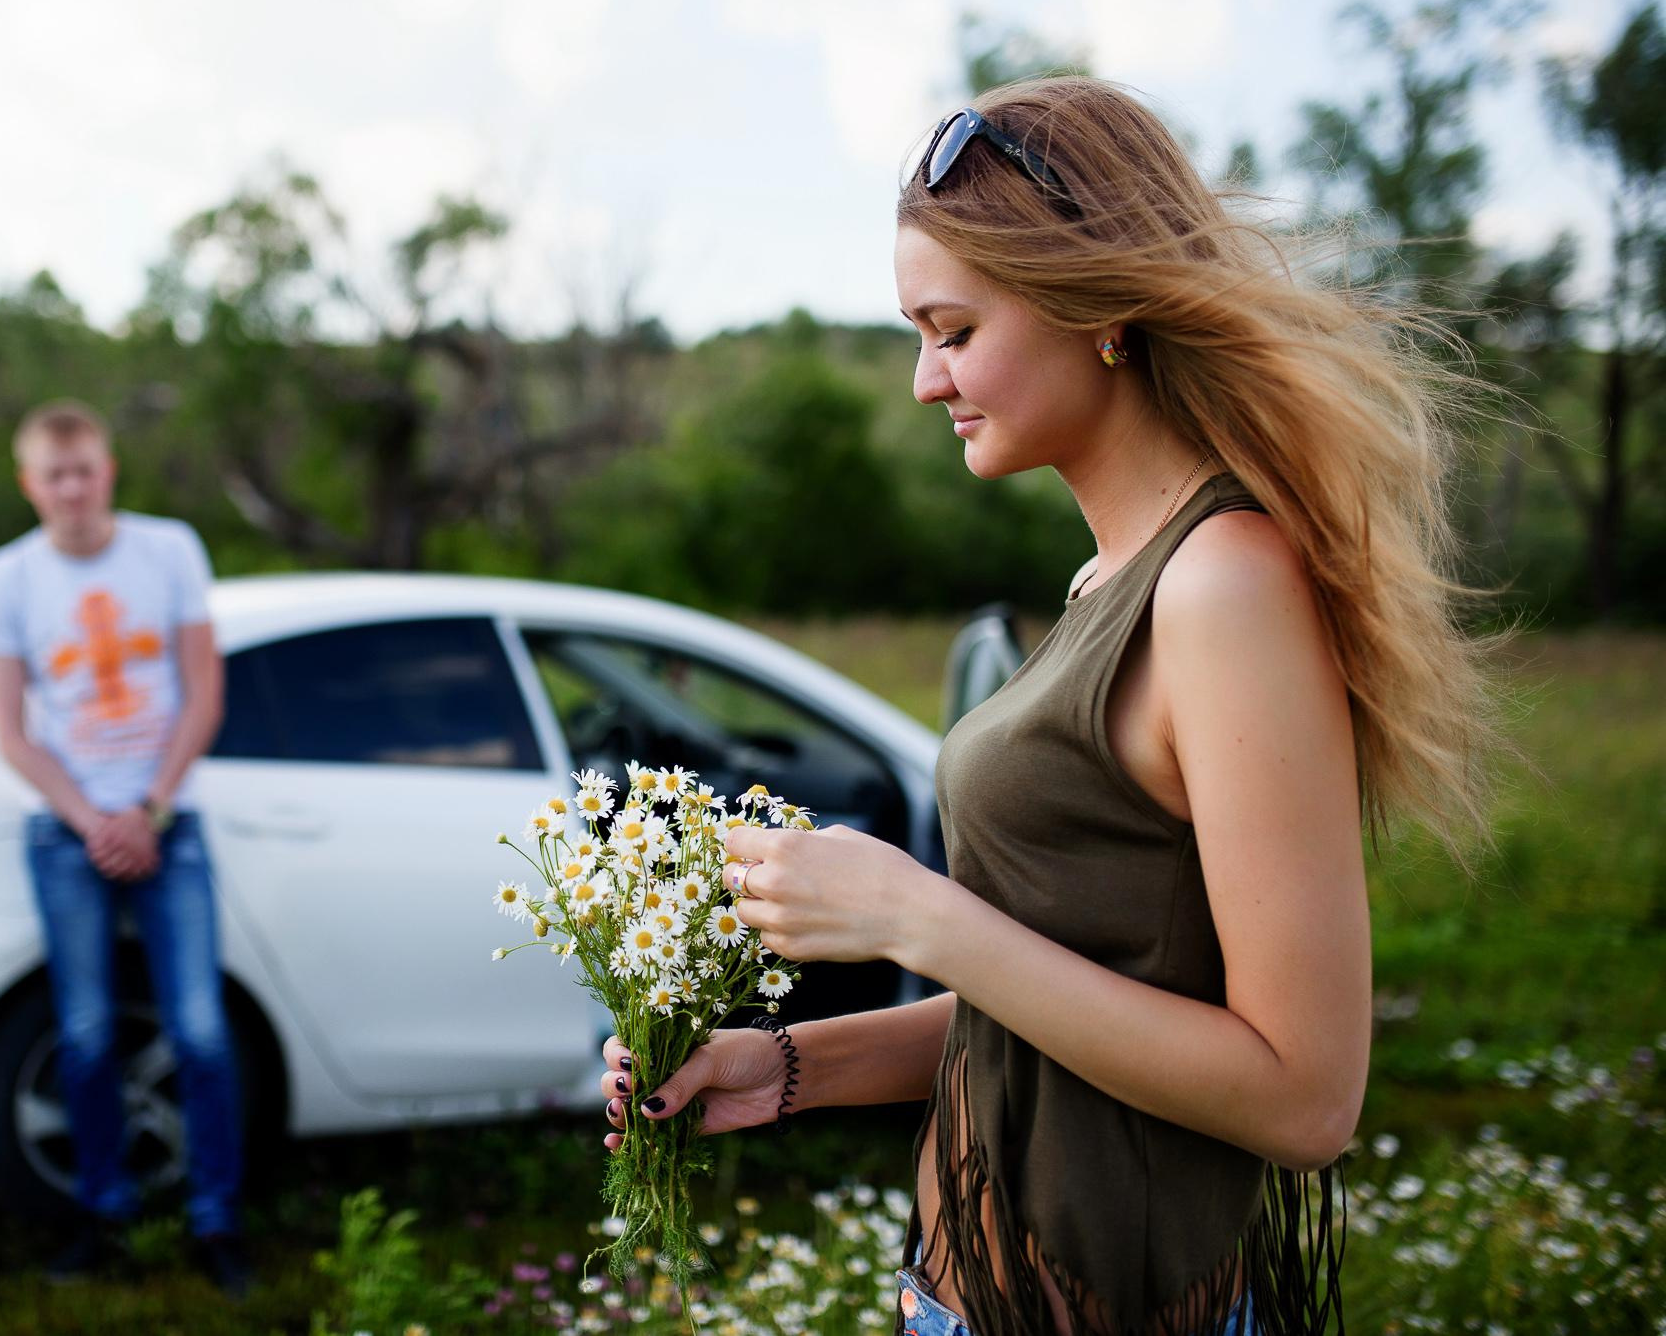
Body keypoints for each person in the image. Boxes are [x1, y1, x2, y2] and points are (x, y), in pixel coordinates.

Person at [595, 77, 1510, 1336]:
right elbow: (1056, 1005)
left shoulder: (1222, 585)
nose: (925, 380)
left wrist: (911, 908)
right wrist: (793, 1065)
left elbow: (1305, 1097)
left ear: (1098, 309)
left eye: (953, 329)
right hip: (960, 1295)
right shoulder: (1108, 580)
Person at [0, 398, 249, 1295]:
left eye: (85, 469)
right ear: (29, 484)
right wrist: (95, 822)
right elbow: (11, 733)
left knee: (200, 1030)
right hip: (66, 831)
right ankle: (103, 1210)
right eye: (55, 475)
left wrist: (150, 810)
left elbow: (203, 696)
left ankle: (216, 1220)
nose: (73, 488)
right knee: (84, 1034)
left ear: (108, 470)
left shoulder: (169, 551)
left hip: (170, 820)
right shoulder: (6, 577)